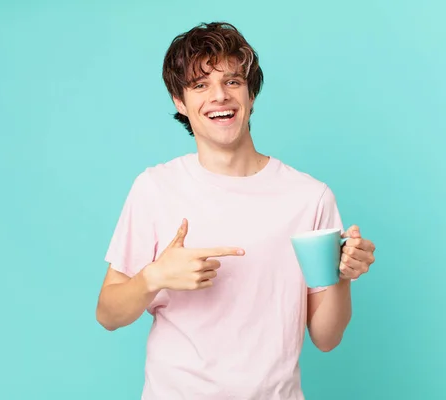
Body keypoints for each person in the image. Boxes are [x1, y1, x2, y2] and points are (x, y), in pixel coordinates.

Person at [96, 22, 376, 399]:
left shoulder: (309, 197)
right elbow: (108, 314)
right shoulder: (155, 188)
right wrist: (154, 276)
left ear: (250, 94)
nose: (219, 97)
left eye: (232, 81)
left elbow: (326, 337)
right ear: (179, 101)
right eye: (200, 85)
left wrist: (342, 276)